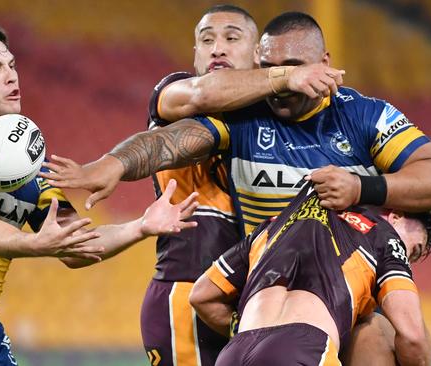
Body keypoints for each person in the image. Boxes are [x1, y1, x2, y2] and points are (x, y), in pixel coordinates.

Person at [42, 10, 431, 365]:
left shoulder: (364, 116)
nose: (284, 82)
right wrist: (114, 164)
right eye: (268, 70)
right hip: (261, 289)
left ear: (323, 63)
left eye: (295, 67)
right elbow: (171, 140)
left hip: (337, 293)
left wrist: (359, 187)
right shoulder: (244, 115)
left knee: (381, 332)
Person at [0, 23, 199, 365]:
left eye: (12, 65)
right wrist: (37, 244)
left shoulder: (26, 162)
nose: (12, 76)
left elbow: (76, 246)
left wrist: (141, 226)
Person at [139, 5, 346, 365]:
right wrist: (286, 77)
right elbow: (203, 93)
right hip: (187, 290)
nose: (217, 48)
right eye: (206, 40)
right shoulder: (178, 93)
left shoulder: (268, 118)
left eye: (231, 38)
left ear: (258, 55)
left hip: (245, 295)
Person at [189, 181, 431, 366]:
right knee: (379, 328)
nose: (408, 259)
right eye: (413, 250)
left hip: (235, 353)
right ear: (396, 216)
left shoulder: (272, 225)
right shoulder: (385, 236)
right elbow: (413, 337)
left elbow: (201, 295)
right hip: (304, 350)